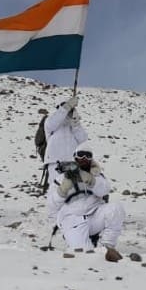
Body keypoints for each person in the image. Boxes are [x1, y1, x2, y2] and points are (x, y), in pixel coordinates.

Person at [51, 146, 125, 260]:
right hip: (72, 220)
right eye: (80, 155)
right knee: (83, 254)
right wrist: (63, 190)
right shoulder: (61, 177)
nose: (83, 159)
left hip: (94, 215)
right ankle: (82, 242)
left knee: (115, 209)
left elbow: (104, 190)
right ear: (75, 157)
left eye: (87, 156)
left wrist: (91, 181)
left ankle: (106, 247)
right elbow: (52, 204)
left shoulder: (97, 175)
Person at [44, 95, 88, 223]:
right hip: (55, 163)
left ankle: (71, 216)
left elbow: (83, 139)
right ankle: (54, 218)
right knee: (55, 190)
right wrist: (66, 107)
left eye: (69, 109)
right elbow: (53, 122)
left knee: (73, 189)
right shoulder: (51, 123)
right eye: (63, 108)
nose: (66, 112)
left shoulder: (73, 126)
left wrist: (76, 124)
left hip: (72, 163)